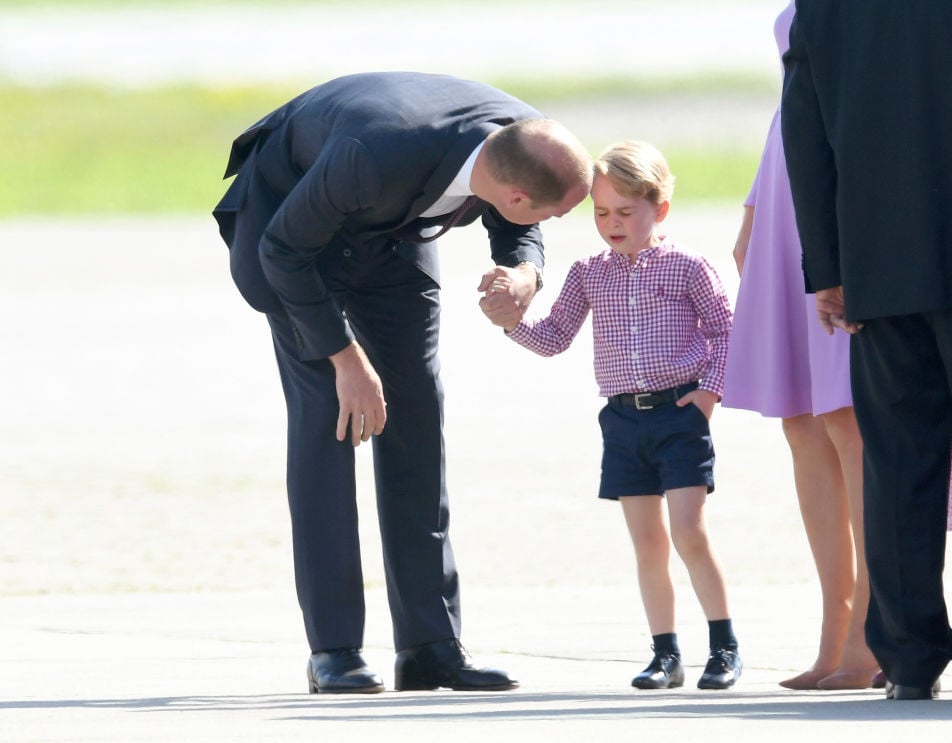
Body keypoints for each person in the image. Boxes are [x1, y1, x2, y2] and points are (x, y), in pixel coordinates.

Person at [212, 72, 592, 694]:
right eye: (554, 212)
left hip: (393, 232)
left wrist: (526, 269)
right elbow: (282, 252)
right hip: (291, 238)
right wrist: (343, 358)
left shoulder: (524, 136)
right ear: (516, 194)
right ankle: (334, 650)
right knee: (330, 421)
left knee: (415, 413)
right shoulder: (373, 153)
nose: (555, 219)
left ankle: (430, 646)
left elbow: (522, 221)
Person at [782, 1, 952, 701]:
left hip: (879, 261)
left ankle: (910, 657)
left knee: (897, 461)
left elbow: (804, 128)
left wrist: (827, 264)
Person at [485, 141, 741, 691]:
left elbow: (726, 331)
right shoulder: (587, 274)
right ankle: (665, 654)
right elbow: (554, 337)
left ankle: (723, 647)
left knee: (688, 533)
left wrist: (709, 394)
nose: (612, 223)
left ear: (660, 210)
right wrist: (509, 322)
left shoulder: (688, 267)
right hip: (622, 422)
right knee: (647, 542)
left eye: (626, 212)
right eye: (602, 212)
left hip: (678, 414)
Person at [721, 0, 879, 691]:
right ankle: (833, 626)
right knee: (802, 419)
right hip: (790, 183)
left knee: (851, 420)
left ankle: (874, 632)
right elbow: (794, 95)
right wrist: (756, 206)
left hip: (848, 191)